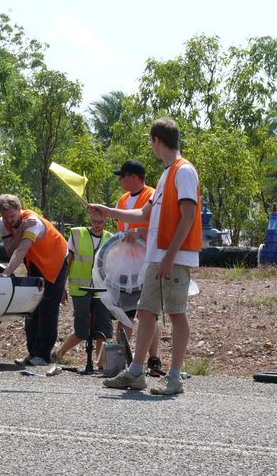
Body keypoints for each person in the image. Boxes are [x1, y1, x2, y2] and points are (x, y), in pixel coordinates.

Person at [89, 117, 201, 395]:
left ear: (156, 141)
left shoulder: (184, 171)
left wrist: (169, 256)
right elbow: (144, 214)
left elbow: (188, 217)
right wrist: (108, 210)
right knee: (146, 312)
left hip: (173, 258)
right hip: (157, 257)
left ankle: (174, 377)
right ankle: (136, 373)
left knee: (176, 314)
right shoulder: (166, 175)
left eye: (151, 142)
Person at [0, 194, 69, 366]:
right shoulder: (3, 223)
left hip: (55, 261)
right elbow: (9, 250)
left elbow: (20, 251)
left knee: (47, 310)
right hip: (35, 261)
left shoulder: (33, 222)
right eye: (5, 217)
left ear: (20, 210)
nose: (9, 220)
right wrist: (19, 230)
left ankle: (42, 356)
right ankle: (33, 353)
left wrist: (6, 273)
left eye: (12, 216)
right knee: (31, 309)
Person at [113, 160, 163, 377]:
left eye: (122, 176)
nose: (119, 180)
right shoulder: (123, 199)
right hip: (126, 266)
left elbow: (158, 226)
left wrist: (140, 232)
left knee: (149, 314)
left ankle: (153, 360)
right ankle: (122, 360)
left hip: (146, 265)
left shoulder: (152, 195)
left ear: (133, 177)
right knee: (124, 314)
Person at [53, 214, 112, 364]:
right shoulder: (77, 234)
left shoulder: (110, 238)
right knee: (81, 331)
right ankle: (58, 354)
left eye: (100, 221)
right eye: (94, 221)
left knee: (103, 329)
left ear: (106, 220)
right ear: (89, 219)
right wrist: (62, 287)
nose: (97, 224)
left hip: (102, 290)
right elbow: (68, 262)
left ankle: (100, 363)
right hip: (80, 289)